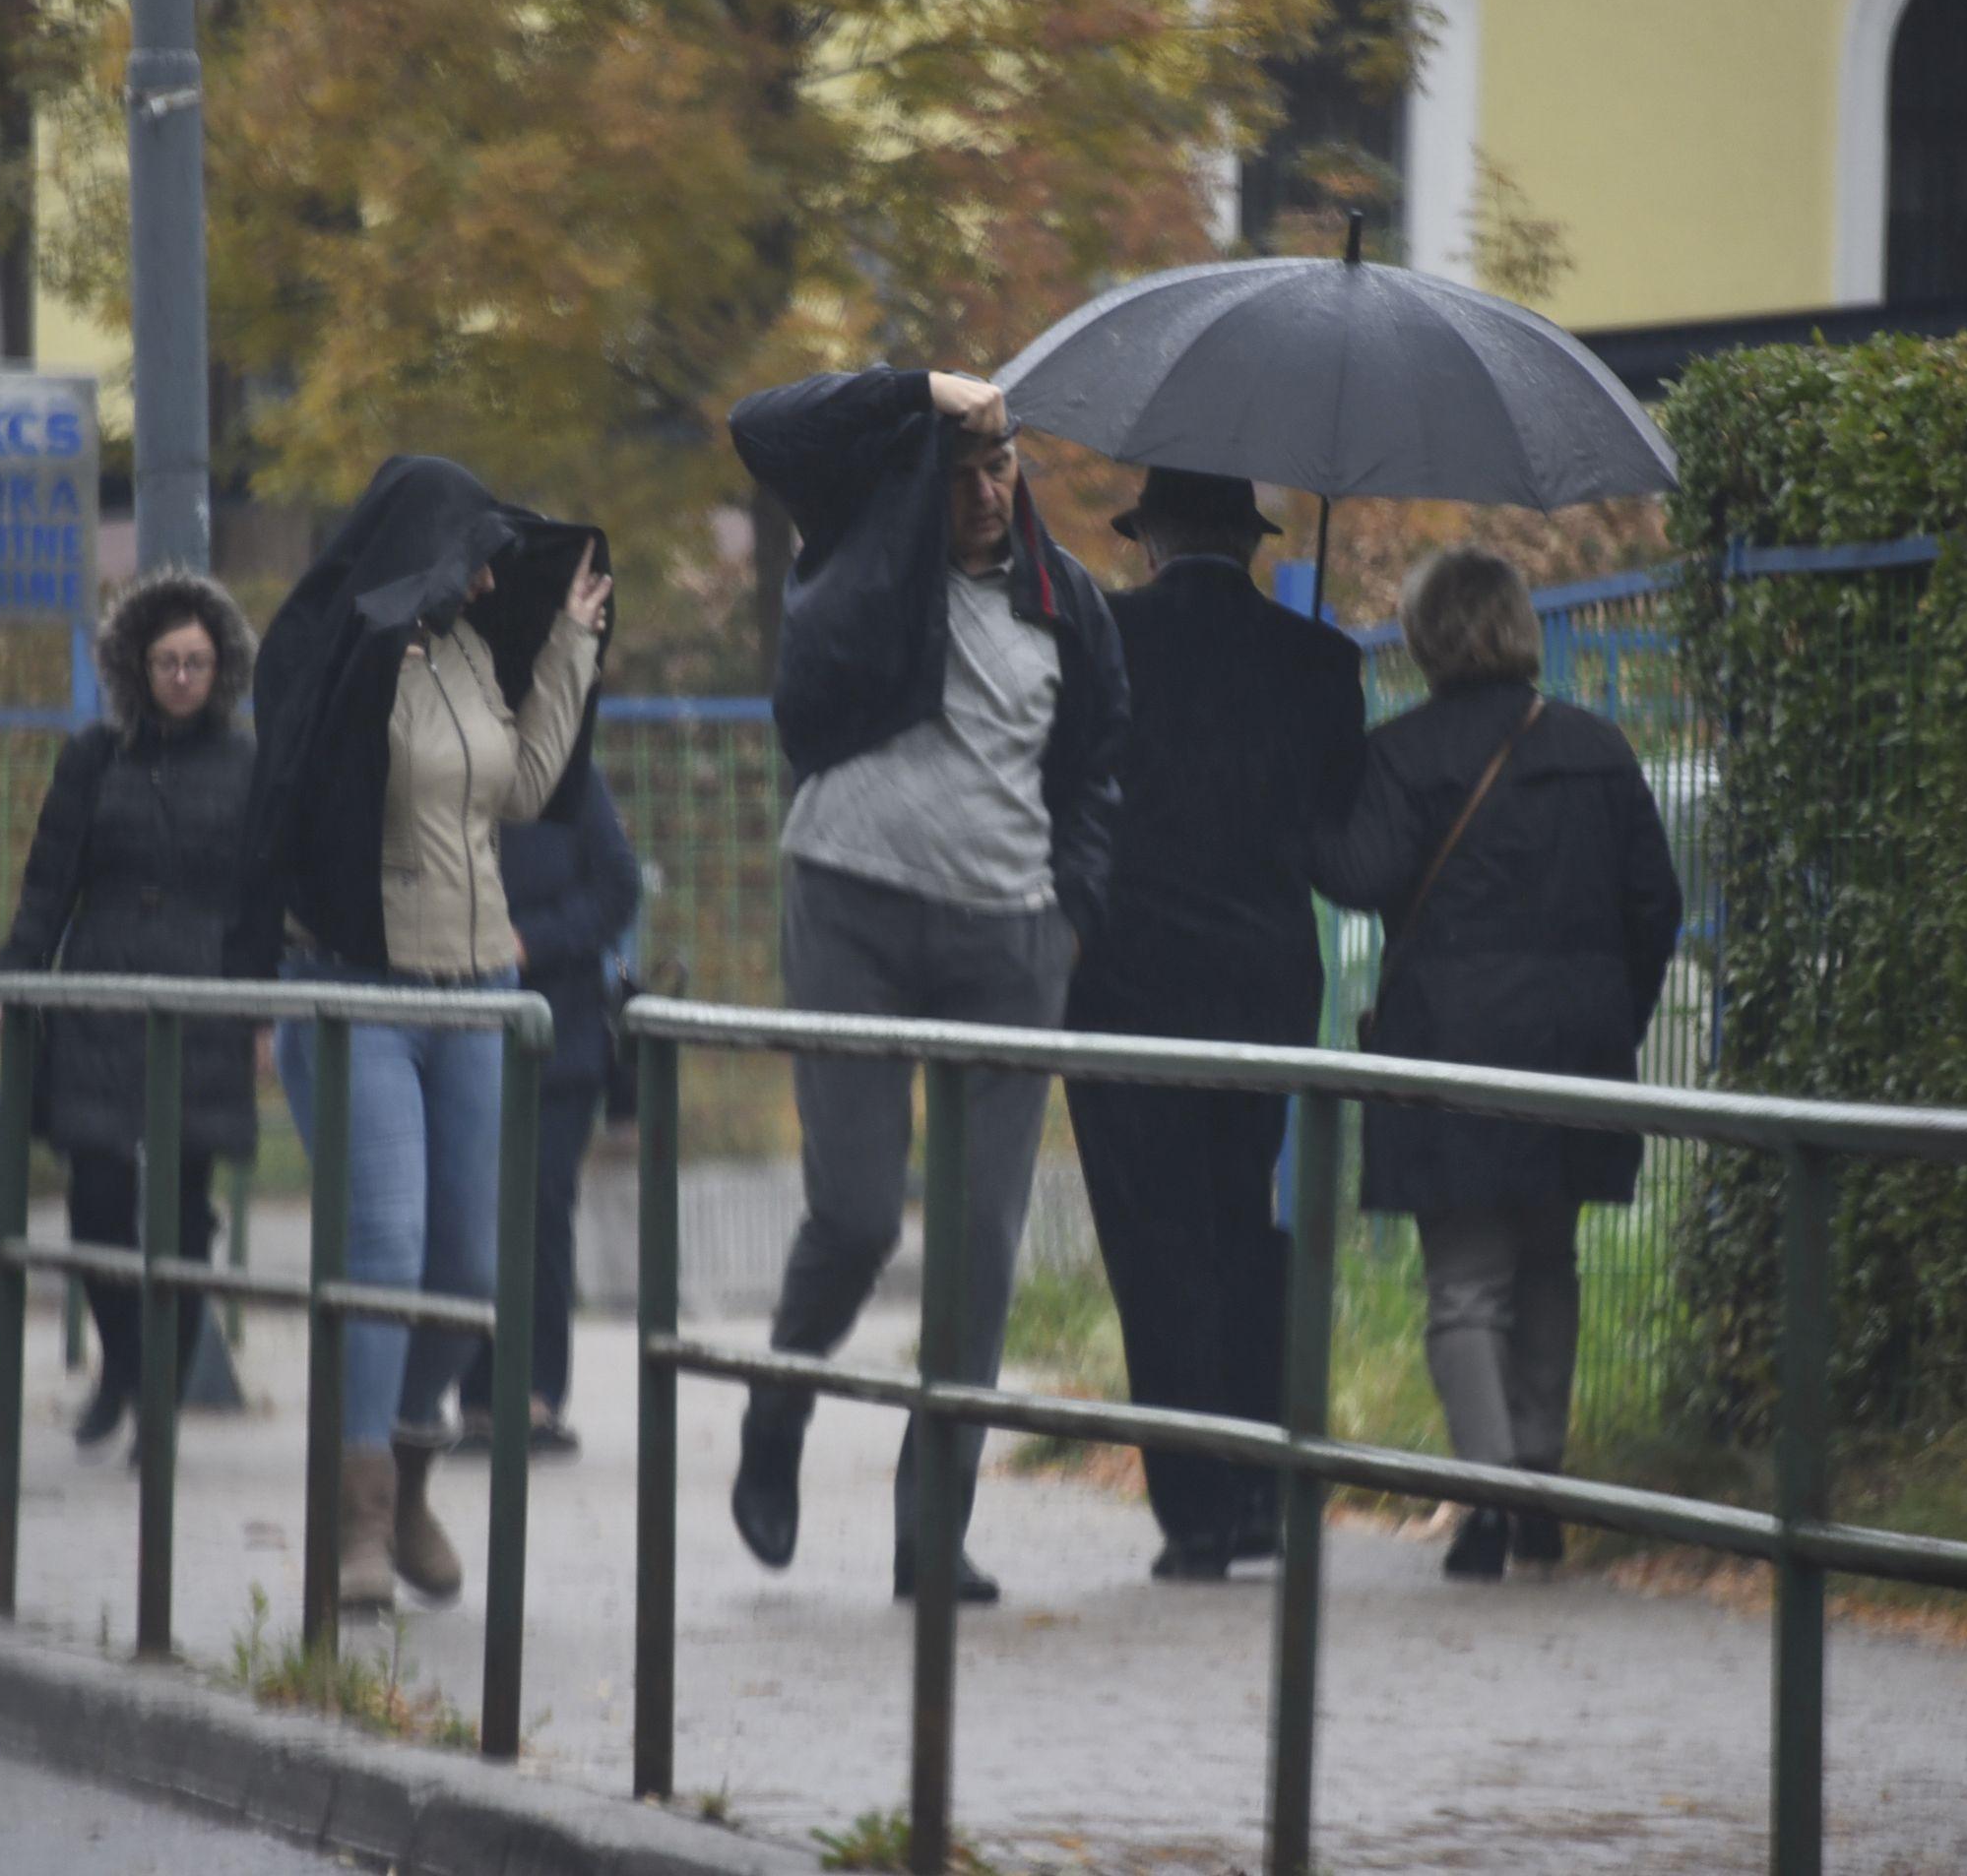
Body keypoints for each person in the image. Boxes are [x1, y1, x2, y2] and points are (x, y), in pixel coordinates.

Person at [725, 364, 1128, 1607]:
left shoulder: (1066, 606)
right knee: (853, 1217)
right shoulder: (859, 542)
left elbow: (1097, 772)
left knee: (979, 1252)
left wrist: (1068, 919)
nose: (989, 494)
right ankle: (778, 1412)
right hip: (848, 902)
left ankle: (928, 1532)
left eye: (1004, 468)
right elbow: (762, 424)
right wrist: (915, 390)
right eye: (962, 475)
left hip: (1009, 941)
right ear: (921, 484)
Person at [232, 456, 613, 1611]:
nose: (493, 573)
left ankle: (404, 1478)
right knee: (386, 1252)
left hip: (476, 996)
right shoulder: (349, 653)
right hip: (359, 992)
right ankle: (351, 1522)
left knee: (471, 1267)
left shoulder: (466, 658)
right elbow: (300, 786)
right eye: (476, 553)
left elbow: (529, 786)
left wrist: (568, 647)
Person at [1313, 547, 1681, 1581]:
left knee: (1466, 1284)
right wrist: (1613, 1011)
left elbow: (1356, 875)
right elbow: (1655, 904)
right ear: (1519, 626)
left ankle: (1483, 1494)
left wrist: (1312, 782)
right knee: (1546, 1262)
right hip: (1572, 1053)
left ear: (1427, 636)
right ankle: (1538, 1484)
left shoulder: (1402, 754)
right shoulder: (1596, 749)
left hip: (1450, 1051)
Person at [1062, 467, 1366, 1582]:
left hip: (1123, 990)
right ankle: (1261, 1492)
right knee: (1244, 1224)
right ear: (1247, 543)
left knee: (1157, 1245)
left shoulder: (1097, 640)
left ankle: (1193, 1510)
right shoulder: (1319, 663)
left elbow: (1063, 791)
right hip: (1261, 990)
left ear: (1147, 543)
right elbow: (1335, 829)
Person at [0, 571, 262, 1455]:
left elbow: (266, 903)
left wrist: (264, 1009)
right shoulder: (93, 757)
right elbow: (48, 884)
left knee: (183, 1208)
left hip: (202, 1001)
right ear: (135, 667)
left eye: (196, 662)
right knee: (98, 1193)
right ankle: (122, 1363)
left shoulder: (248, 765)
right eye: (165, 662)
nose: (181, 677)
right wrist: (14, 983)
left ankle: (157, 1407)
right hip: (99, 992)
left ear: (219, 668)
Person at [443, 763, 641, 1456]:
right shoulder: (445, 773)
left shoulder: (571, 784)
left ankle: (535, 1397)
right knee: (471, 1215)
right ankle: (473, 1398)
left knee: (541, 1209)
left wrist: (530, 941)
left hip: (560, 1037)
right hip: (461, 1033)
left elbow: (619, 889)